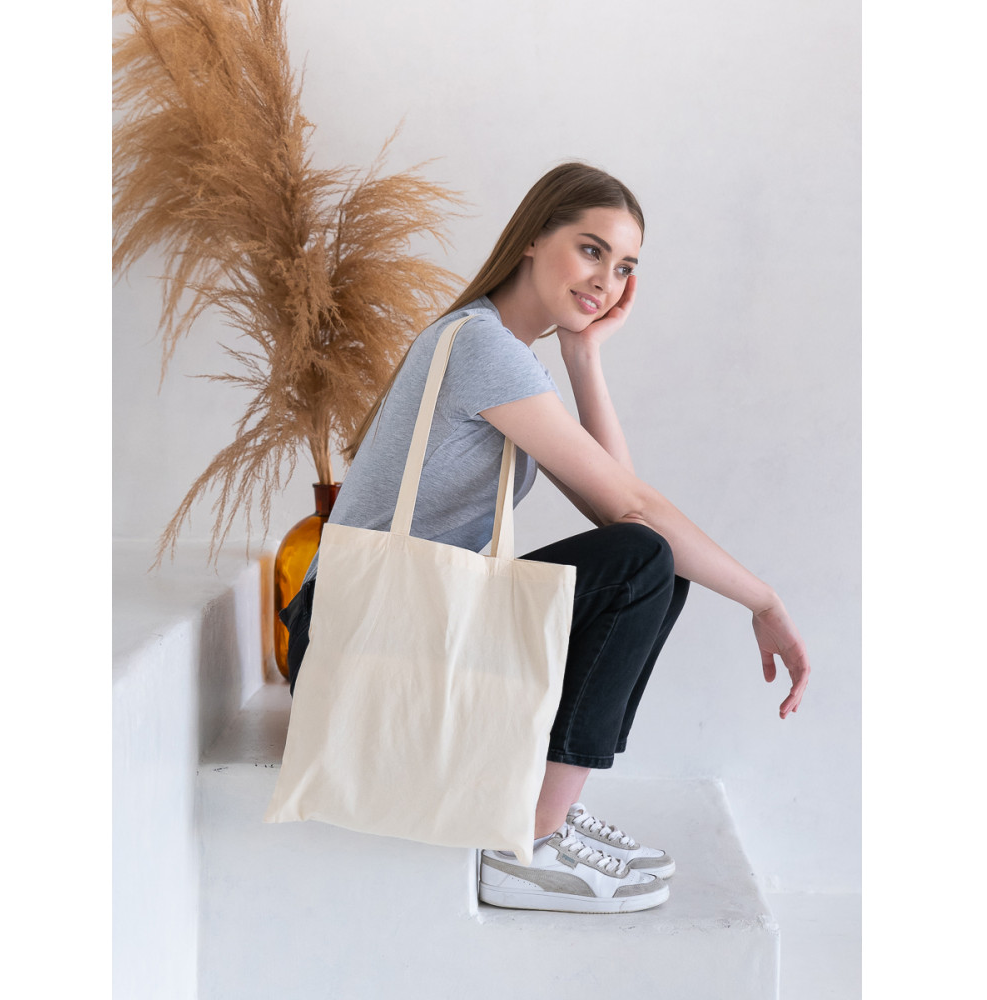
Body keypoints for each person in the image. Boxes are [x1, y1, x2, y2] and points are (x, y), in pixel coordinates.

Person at [280, 162, 811, 914]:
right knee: (643, 562)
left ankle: (542, 804)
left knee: (653, 565)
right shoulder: (480, 347)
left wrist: (583, 355)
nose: (607, 280)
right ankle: (528, 837)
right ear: (533, 237)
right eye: (591, 250)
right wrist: (763, 600)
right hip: (350, 636)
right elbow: (634, 510)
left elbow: (621, 510)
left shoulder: (503, 350)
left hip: (387, 626)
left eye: (624, 267)